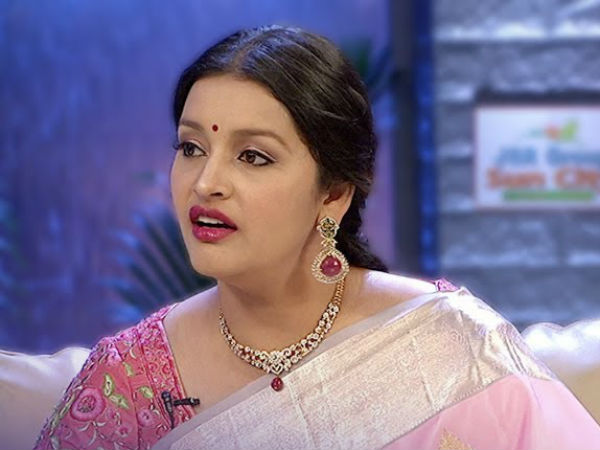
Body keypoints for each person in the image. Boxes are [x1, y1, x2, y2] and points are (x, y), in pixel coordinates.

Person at [34, 25, 600, 450]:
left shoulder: (451, 347)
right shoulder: (127, 383)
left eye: (253, 156)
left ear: (334, 193)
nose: (206, 183)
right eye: (191, 148)